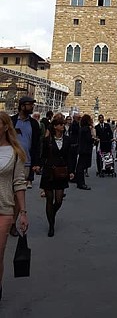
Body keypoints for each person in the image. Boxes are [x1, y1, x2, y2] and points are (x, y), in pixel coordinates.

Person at [0, 112, 28, 300]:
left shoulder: (15, 153)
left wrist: (23, 212)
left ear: (5, 127)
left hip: (4, 209)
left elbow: (18, 183)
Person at [40, 113, 74, 237]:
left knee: (59, 200)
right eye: (60, 124)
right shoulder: (47, 140)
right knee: (49, 199)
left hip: (61, 172)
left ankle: (51, 214)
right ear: (54, 127)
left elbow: (70, 157)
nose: (62, 126)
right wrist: (38, 165)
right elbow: (43, 155)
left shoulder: (68, 140)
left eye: (63, 124)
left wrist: (71, 171)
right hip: (49, 172)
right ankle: (51, 225)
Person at [10, 95, 41, 236]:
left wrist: (36, 163)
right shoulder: (12, 121)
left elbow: (36, 145)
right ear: (22, 106)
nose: (32, 107)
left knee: (18, 195)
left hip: (25, 163)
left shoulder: (34, 124)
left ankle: (12, 223)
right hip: (9, 161)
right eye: (30, 104)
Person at [76, 114, 94, 190]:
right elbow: (88, 139)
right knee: (81, 167)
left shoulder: (82, 128)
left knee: (80, 166)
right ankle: (81, 183)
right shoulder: (87, 129)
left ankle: (79, 182)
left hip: (82, 149)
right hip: (85, 150)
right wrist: (93, 139)